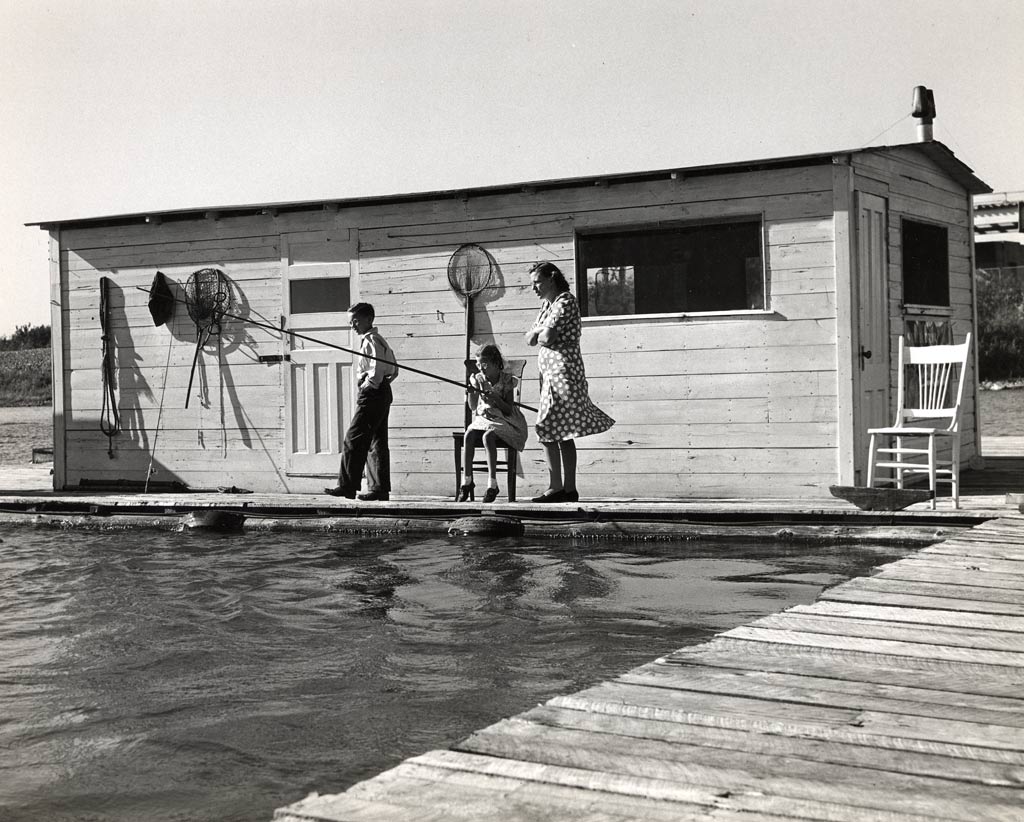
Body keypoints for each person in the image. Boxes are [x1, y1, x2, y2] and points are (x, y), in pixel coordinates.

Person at [525, 261, 614, 503]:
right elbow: (529, 338)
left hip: (563, 372)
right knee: (559, 430)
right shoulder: (547, 305)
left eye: (537, 282)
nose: (534, 288)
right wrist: (539, 332)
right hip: (549, 375)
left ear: (551, 278)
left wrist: (540, 332)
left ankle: (558, 487)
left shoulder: (565, 301)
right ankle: (567, 489)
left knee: (550, 427)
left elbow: (546, 336)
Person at [325, 303, 398, 501]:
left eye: (356, 321)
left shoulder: (371, 341)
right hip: (382, 392)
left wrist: (367, 386)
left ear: (368, 319)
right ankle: (379, 489)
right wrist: (382, 383)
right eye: (351, 322)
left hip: (373, 395)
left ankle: (347, 486)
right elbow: (394, 369)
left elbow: (376, 370)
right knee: (376, 442)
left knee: (353, 439)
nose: (353, 326)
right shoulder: (378, 339)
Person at [459, 343, 528, 503]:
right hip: (484, 417)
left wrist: (497, 399)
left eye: (484, 365)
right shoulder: (478, 379)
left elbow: (508, 409)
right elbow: (473, 407)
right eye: (478, 364)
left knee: (488, 436)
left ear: (497, 364)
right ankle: (467, 481)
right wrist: (472, 393)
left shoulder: (506, 380)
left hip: (505, 420)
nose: (481, 369)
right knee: (469, 434)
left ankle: (492, 484)